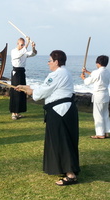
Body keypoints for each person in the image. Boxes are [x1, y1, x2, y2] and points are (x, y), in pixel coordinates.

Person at [16, 50, 80, 186]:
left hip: (60, 112)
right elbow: (46, 87)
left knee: (62, 141)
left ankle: (71, 175)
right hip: (66, 111)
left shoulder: (56, 74)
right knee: (64, 140)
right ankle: (66, 168)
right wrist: (26, 87)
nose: (48, 63)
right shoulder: (64, 72)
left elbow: (43, 91)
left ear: (56, 62)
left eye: (50, 60)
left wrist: (31, 91)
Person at [81, 55, 110, 139]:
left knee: (98, 114)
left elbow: (87, 82)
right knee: (105, 113)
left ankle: (100, 133)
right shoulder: (107, 72)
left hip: (99, 95)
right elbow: (97, 76)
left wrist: (83, 78)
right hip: (106, 95)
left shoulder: (97, 72)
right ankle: (106, 132)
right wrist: (87, 72)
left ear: (98, 63)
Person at [9, 37, 37, 120]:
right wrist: (28, 43)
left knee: (22, 92)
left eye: (23, 44)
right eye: (21, 44)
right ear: (17, 44)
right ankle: (13, 113)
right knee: (16, 91)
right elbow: (19, 54)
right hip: (16, 73)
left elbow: (33, 53)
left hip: (22, 72)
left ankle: (18, 112)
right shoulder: (14, 51)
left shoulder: (24, 51)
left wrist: (33, 46)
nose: (23, 46)